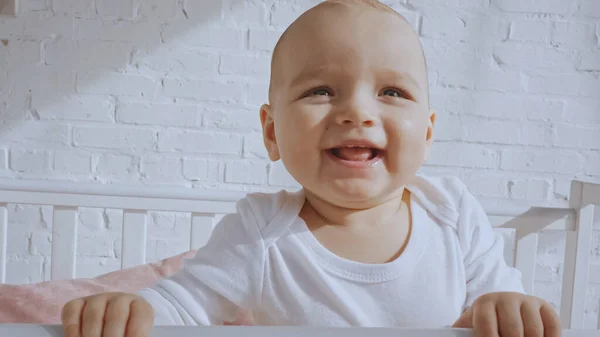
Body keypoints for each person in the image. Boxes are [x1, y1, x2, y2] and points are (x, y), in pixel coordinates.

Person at [60, 1, 562, 337]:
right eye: (321, 90)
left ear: (427, 134)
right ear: (273, 132)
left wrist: (501, 308)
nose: (357, 112)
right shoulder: (261, 232)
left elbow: (498, 295)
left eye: (392, 92)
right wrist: (134, 310)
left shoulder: (452, 215)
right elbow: (185, 306)